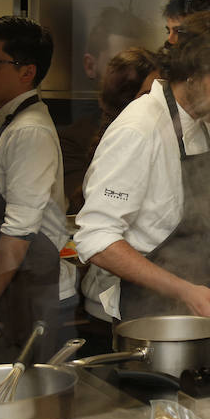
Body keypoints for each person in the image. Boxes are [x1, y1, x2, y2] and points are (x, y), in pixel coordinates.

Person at [74, 8, 210, 320]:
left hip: (196, 311)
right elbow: (95, 239)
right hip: (147, 318)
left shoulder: (202, 125)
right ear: (194, 69)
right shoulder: (140, 129)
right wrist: (183, 290)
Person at [0, 16, 75, 360]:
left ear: (26, 72)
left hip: (31, 292)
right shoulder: (5, 120)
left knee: (31, 396)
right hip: (11, 285)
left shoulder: (29, 132)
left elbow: (19, 230)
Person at [77, 48, 159, 325]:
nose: (159, 101)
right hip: (111, 305)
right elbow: (99, 239)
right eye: (149, 93)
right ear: (130, 100)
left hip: (134, 304)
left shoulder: (151, 134)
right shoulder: (131, 136)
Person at [60, 6, 151, 214]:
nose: (133, 80)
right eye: (120, 67)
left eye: (142, 68)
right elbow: (89, 209)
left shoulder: (165, 130)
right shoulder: (72, 142)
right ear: (90, 66)